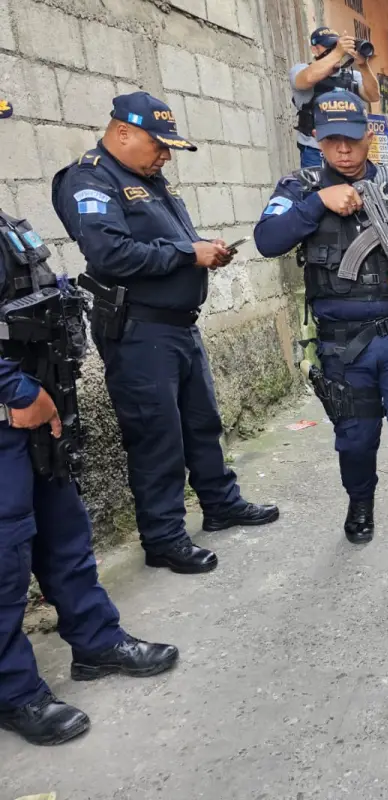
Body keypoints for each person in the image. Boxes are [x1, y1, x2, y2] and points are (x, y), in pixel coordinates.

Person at [51, 92, 279, 577]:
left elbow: (168, 243)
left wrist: (205, 251)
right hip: (137, 330)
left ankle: (220, 503)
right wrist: (186, 255)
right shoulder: (88, 179)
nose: (166, 154)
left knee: (201, 424)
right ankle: (164, 537)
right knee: (157, 437)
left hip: (178, 326)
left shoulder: (149, 179)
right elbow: (110, 254)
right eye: (159, 144)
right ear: (123, 133)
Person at [0, 203, 178, 747]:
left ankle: (96, 643)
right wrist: (13, 395)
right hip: (14, 404)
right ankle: (13, 692)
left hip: (38, 400)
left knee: (64, 534)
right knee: (5, 561)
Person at [253, 90, 388, 583]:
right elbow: (267, 239)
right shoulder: (299, 186)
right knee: (356, 442)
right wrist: (317, 204)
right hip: (342, 343)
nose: (344, 150)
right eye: (332, 140)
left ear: (369, 136)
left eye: (353, 139)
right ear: (317, 139)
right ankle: (360, 502)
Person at [290, 27, 381, 169]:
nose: (335, 50)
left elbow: (373, 96)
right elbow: (306, 80)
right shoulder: (301, 70)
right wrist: (338, 52)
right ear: (314, 50)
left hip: (350, 150)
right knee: (320, 191)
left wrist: (363, 66)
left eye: (336, 45)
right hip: (316, 151)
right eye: (329, 46)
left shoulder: (350, 76)